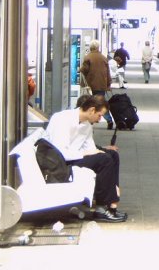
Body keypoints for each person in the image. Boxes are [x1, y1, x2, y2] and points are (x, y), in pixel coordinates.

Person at [44, 94, 127, 222]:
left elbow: (91, 147)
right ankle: (101, 207)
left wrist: (100, 150)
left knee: (112, 155)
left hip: (74, 156)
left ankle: (112, 203)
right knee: (104, 160)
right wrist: (88, 153)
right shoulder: (63, 119)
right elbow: (60, 152)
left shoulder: (86, 124)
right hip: (60, 163)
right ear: (92, 110)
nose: (100, 120)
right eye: (99, 115)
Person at [79, 40, 114, 130]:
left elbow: (84, 69)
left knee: (95, 103)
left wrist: (80, 69)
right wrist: (108, 84)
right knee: (100, 102)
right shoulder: (103, 58)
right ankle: (107, 120)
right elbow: (107, 72)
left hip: (91, 85)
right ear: (98, 47)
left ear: (91, 47)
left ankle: (93, 119)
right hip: (101, 84)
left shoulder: (88, 57)